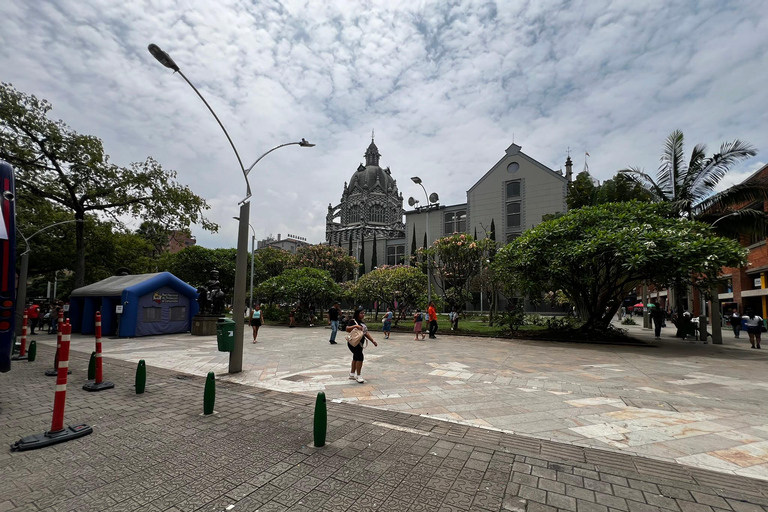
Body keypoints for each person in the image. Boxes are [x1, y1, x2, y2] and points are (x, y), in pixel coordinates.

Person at [346, 308, 378, 383]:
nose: (363, 315)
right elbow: (347, 329)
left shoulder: (362, 323)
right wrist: (355, 326)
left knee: (356, 357)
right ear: (357, 314)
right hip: (353, 343)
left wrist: (373, 341)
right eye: (361, 313)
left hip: (360, 343)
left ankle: (352, 374)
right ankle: (359, 375)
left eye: (363, 313)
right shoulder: (353, 321)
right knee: (360, 357)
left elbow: (366, 333)